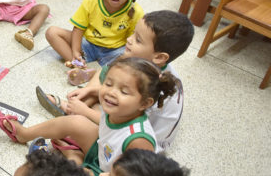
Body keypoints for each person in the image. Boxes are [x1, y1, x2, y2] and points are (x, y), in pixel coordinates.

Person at [0, 57, 178, 176]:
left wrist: (93, 175)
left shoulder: (139, 140)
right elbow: (105, 126)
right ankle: (25, 134)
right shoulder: (117, 109)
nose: (111, 93)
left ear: (144, 103)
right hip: (103, 153)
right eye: (108, 84)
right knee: (75, 122)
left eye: (124, 91)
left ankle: (73, 157)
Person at [37, 10, 194, 151]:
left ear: (159, 57)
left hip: (136, 145)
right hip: (127, 114)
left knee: (81, 124)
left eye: (138, 40)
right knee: (108, 75)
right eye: (133, 34)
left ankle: (75, 114)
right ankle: (77, 107)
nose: (129, 40)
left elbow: (121, 124)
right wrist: (89, 90)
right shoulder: (147, 64)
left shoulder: (152, 85)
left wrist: (85, 112)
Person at [45, 0, 144, 85]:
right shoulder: (91, 1)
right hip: (87, 44)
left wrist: (126, 57)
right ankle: (79, 66)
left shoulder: (136, 11)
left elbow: (133, 41)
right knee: (52, 32)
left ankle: (97, 74)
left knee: (134, 59)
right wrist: (75, 51)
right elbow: (78, 28)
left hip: (114, 51)